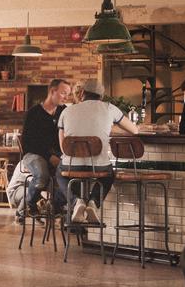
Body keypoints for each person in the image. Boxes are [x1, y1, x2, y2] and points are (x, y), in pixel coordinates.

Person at [54, 77, 138, 223]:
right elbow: (134, 130)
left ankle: (76, 202)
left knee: (60, 173)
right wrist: (107, 128)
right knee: (108, 175)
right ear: (101, 96)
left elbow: (63, 147)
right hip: (99, 165)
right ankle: (93, 202)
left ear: (82, 93)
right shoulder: (109, 108)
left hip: (71, 165)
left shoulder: (67, 111)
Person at [6, 78, 71, 221]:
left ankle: (56, 208)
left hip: (56, 155)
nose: (66, 97)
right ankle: (30, 206)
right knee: (42, 175)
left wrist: (60, 156)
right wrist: (50, 157)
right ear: (52, 91)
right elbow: (29, 143)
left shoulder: (64, 111)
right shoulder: (33, 113)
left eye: (68, 94)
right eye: (64, 93)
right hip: (33, 154)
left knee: (68, 177)